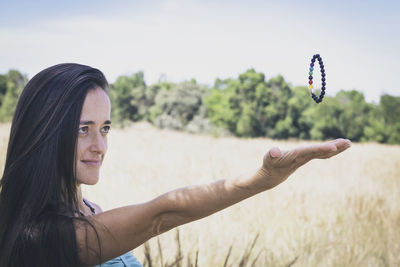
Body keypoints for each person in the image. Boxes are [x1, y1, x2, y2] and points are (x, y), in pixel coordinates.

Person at [0, 63, 351, 267]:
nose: (100, 146)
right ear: (45, 132)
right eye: (83, 129)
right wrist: (261, 178)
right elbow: (161, 214)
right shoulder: (45, 235)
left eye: (105, 128)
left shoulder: (89, 212)